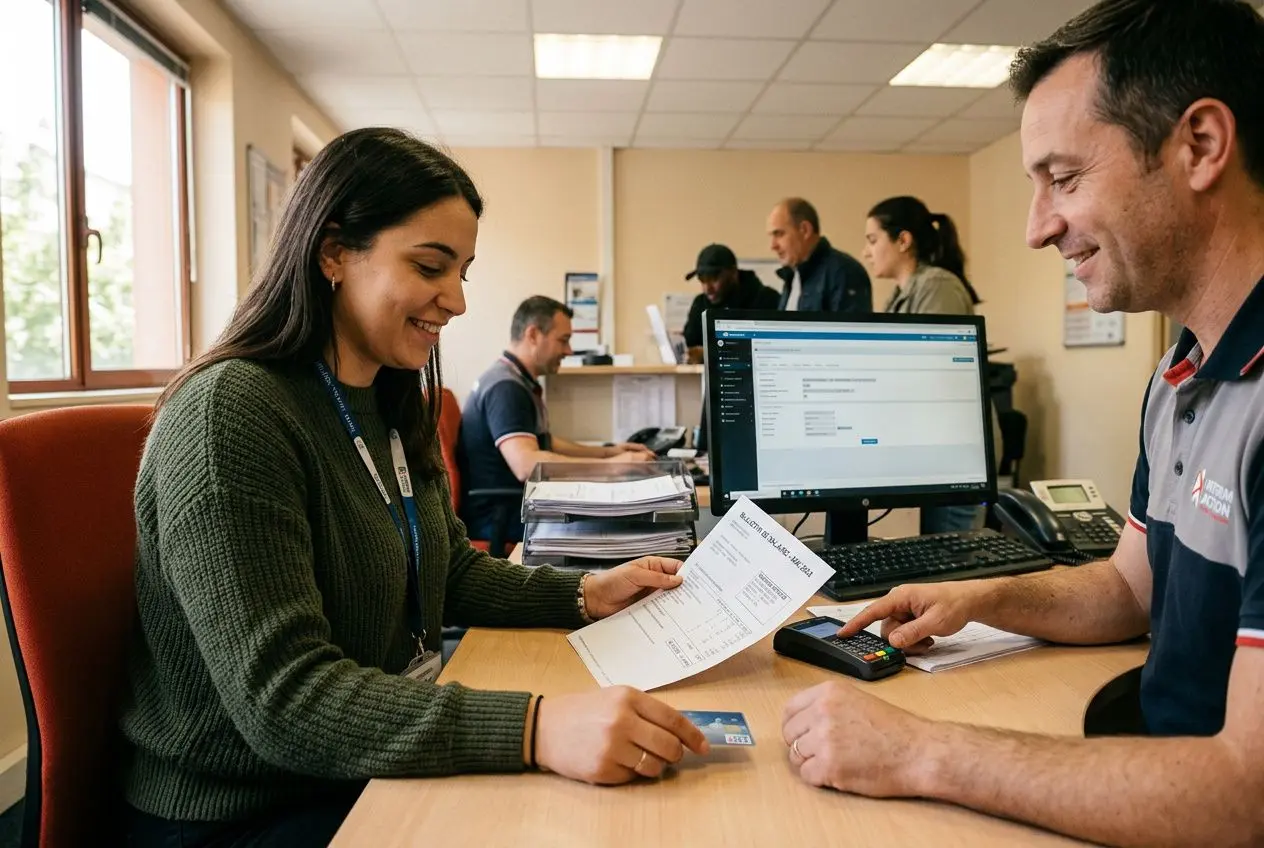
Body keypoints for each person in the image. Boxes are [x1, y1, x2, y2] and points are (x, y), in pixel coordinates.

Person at [119, 128, 708, 847]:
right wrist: (533, 725)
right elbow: (283, 699)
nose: (456, 300)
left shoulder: (392, 399)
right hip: (248, 804)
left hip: (358, 758)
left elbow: (447, 569)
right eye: (431, 265)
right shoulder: (231, 415)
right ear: (334, 251)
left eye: (464, 270)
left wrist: (583, 593)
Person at [781, 1, 1264, 845]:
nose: (1037, 226)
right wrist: (982, 597)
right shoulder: (1182, 372)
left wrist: (919, 751)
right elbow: (1127, 589)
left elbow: (1248, 793)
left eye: (1064, 178)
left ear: (1200, 146)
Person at [460, 295, 655, 543]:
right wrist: (615, 466)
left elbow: (544, 443)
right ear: (533, 335)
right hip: (501, 518)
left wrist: (610, 453)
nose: (568, 350)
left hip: (513, 508)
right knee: (618, 523)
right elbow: (527, 464)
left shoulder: (513, 379)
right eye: (563, 340)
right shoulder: (505, 388)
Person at [863, 196, 993, 535]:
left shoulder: (937, 286)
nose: (867, 252)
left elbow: (930, 374)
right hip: (927, 456)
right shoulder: (900, 295)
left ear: (903, 241)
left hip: (954, 461)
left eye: (873, 240)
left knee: (951, 566)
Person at [766, 197, 871, 313]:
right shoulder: (794, 275)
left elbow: (850, 330)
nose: (773, 245)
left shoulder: (845, 272)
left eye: (779, 234)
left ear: (805, 230)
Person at [681, 243, 780, 364]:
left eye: (714, 278)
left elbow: (769, 350)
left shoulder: (766, 299)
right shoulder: (700, 305)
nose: (707, 288)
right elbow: (690, 348)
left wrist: (710, 354)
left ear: (733, 273)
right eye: (702, 280)